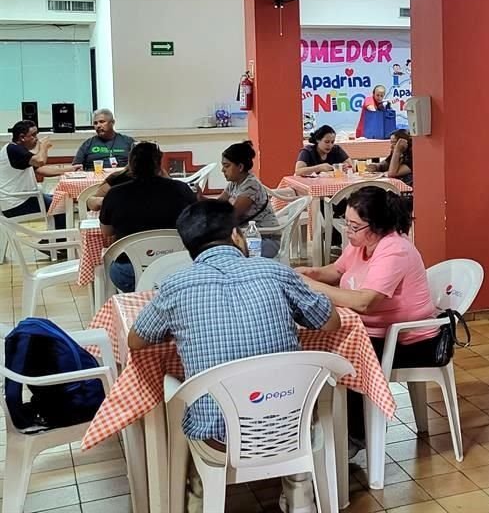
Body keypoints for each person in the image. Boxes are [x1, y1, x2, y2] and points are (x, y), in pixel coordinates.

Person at [127, 199, 340, 510]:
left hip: (218, 437)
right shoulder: (274, 272)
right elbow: (330, 322)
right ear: (237, 235)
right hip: (289, 425)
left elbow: (136, 341)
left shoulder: (174, 286)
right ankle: (299, 495)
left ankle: (201, 493)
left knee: (189, 398)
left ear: (189, 249)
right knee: (291, 400)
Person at [296, 186, 440, 452]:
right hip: (374, 333)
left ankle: (355, 435)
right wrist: (310, 273)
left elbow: (365, 302)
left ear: (376, 226)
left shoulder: (394, 250)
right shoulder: (361, 244)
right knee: (319, 350)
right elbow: (336, 271)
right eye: (347, 224)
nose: (348, 232)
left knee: (338, 358)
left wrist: (313, 287)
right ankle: (330, 428)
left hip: (410, 342)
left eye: (354, 226)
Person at [99, 142, 197, 292]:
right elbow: (195, 223)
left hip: (129, 271)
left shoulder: (115, 194)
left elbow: (107, 231)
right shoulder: (181, 189)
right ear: (159, 165)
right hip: (176, 266)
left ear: (130, 165)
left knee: (118, 269)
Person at [0, 121, 78, 229]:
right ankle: (60, 242)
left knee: (61, 199)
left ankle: (52, 239)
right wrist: (44, 146)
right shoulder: (13, 150)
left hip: (21, 199)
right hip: (17, 203)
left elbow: (41, 170)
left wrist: (72, 169)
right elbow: (40, 161)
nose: (36, 138)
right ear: (22, 137)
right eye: (33, 135)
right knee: (62, 205)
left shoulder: (18, 151)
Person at [218, 141, 280, 258]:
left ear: (240, 167)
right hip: (247, 236)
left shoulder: (251, 185)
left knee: (221, 251)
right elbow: (218, 204)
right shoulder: (234, 184)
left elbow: (232, 215)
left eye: (226, 166)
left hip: (264, 240)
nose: (222, 170)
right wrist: (199, 198)